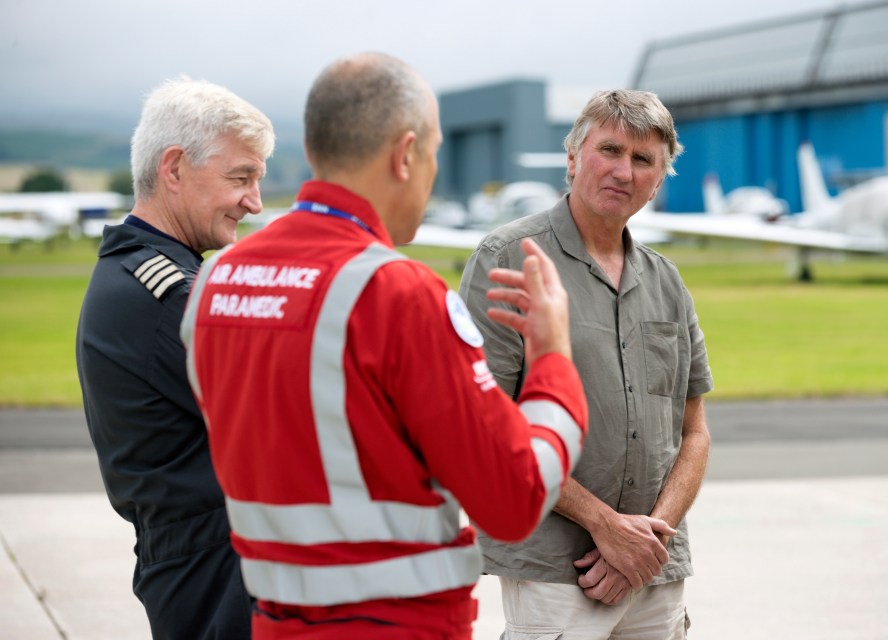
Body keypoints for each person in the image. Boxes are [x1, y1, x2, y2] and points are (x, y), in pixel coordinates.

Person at [179, 52, 589, 640]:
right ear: (404, 155)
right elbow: (513, 498)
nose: (432, 171)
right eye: (434, 152)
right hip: (395, 624)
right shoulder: (396, 292)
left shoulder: (217, 282)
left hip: (269, 619)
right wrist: (552, 359)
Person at [459, 89, 713, 639]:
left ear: (660, 176)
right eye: (610, 150)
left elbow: (693, 433)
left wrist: (648, 541)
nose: (624, 171)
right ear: (573, 158)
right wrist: (605, 527)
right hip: (553, 569)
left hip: (654, 568)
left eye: (644, 160)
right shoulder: (509, 258)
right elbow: (485, 423)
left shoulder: (668, 281)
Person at [76, 78, 275, 639]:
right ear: (174, 168)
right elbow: (290, 416)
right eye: (241, 178)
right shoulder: (171, 298)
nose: (254, 202)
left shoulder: (137, 274)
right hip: (218, 564)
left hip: (194, 554)